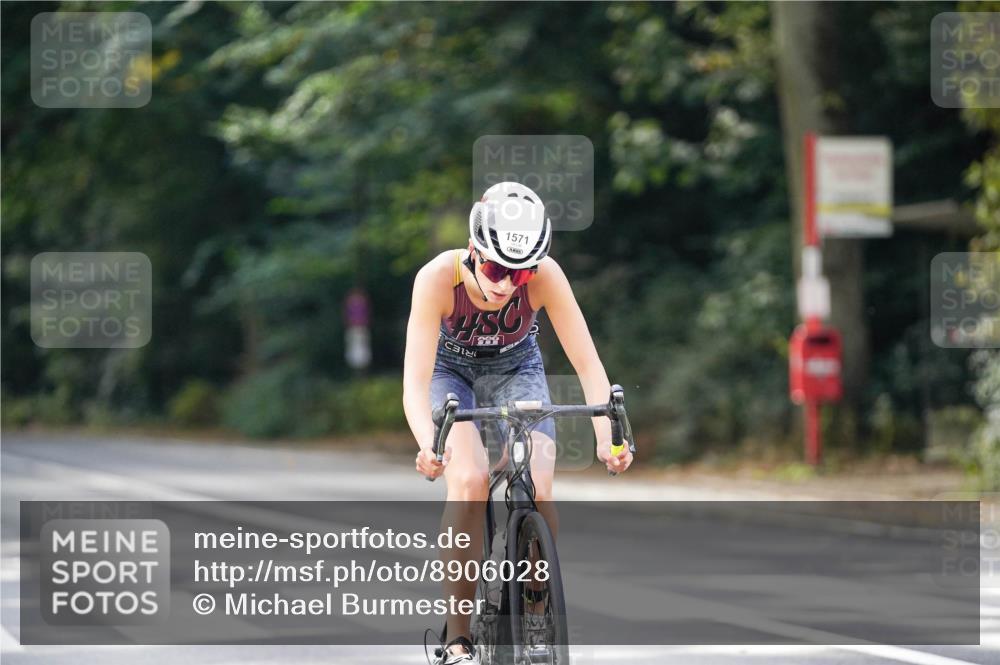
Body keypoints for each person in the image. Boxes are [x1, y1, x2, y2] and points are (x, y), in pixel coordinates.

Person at [402, 182, 633, 664]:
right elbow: (415, 382)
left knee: (541, 482)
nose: (508, 283)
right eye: (494, 268)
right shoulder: (435, 279)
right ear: (472, 249)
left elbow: (588, 366)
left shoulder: (546, 276)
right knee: (469, 481)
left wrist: (606, 439)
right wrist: (430, 445)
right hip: (451, 375)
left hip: (517, 370)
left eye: (521, 272)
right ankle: (458, 639)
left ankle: (535, 602)